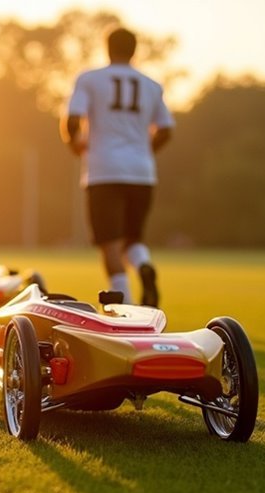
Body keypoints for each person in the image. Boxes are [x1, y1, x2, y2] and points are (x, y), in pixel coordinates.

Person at [61, 27, 173, 307]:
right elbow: (166, 129)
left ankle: (126, 305)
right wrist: (145, 150)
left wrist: (73, 144)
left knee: (109, 243)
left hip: (104, 169)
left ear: (107, 47)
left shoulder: (90, 79)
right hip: (142, 171)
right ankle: (144, 265)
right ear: (135, 50)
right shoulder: (151, 84)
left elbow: (73, 119)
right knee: (133, 239)